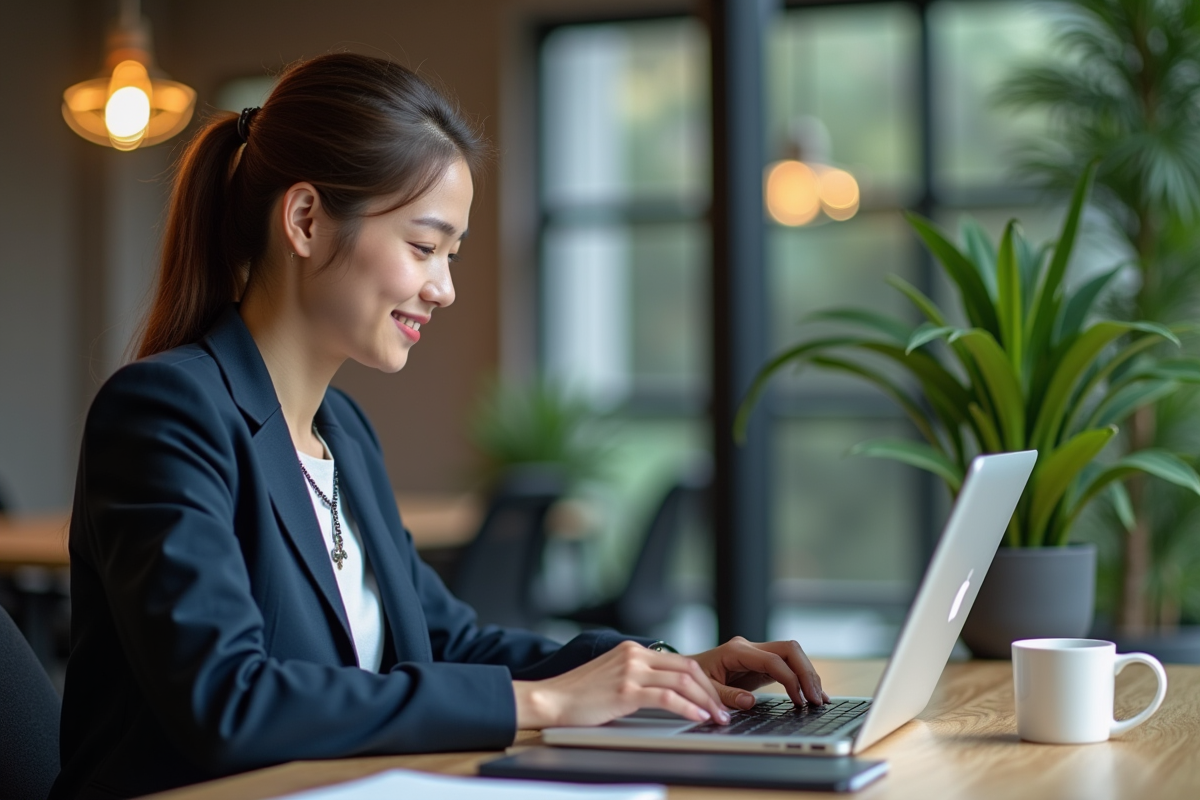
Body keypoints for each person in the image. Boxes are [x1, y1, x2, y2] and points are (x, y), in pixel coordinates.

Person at [50, 53, 828, 800]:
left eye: (450, 254)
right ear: (306, 219)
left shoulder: (343, 432)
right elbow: (228, 699)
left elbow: (452, 641)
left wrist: (661, 670)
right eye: (424, 247)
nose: (444, 288)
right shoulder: (166, 411)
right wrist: (547, 704)